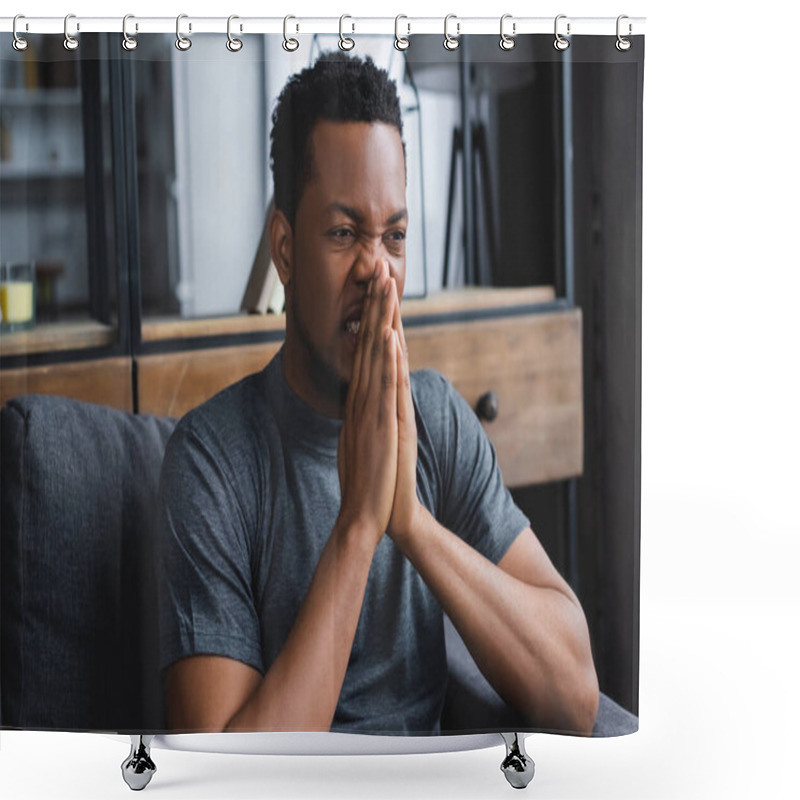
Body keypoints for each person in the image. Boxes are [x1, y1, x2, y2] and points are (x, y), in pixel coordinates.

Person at [156, 51, 599, 736]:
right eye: (343, 233)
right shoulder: (211, 462)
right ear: (284, 248)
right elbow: (221, 777)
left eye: (394, 236)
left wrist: (413, 525)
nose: (377, 270)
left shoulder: (438, 420)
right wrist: (359, 527)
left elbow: (577, 698)